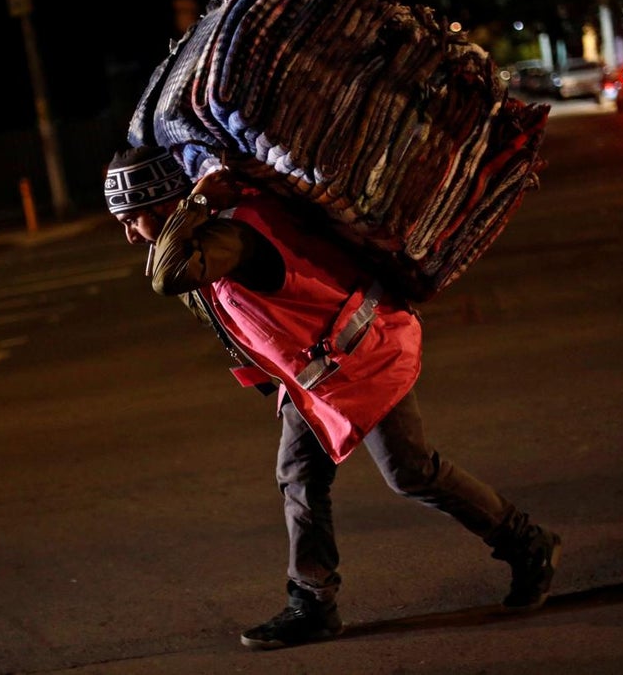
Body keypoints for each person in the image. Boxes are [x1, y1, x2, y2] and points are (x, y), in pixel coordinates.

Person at [104, 144, 562, 651]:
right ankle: (313, 604)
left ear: (164, 205)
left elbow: (169, 276)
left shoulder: (230, 234)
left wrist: (190, 207)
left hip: (365, 356)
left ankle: (528, 544)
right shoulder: (219, 227)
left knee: (410, 471)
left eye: (132, 218)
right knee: (300, 476)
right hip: (321, 375)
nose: (128, 234)